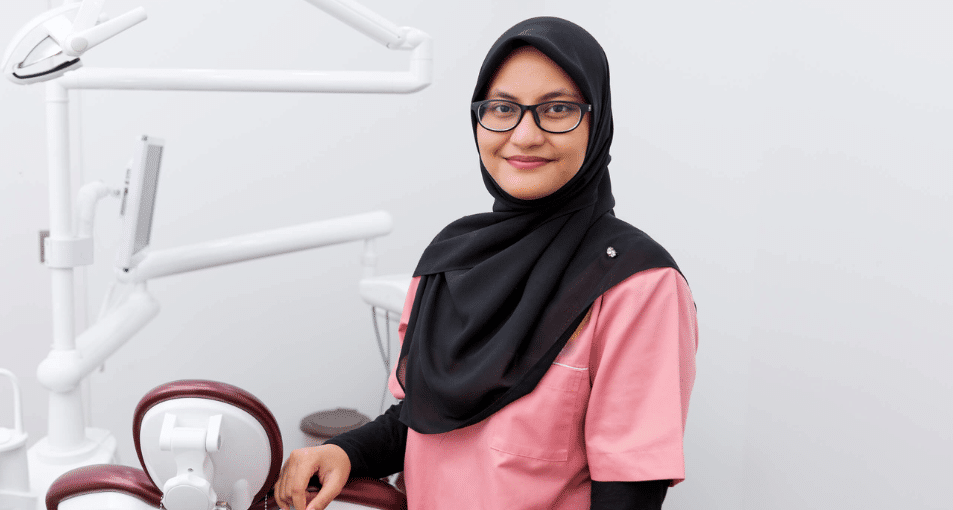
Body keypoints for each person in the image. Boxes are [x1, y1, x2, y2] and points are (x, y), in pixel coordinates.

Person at [273, 17, 698, 510]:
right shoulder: (449, 261)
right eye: (502, 108)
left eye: (557, 109)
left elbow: (628, 491)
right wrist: (342, 451)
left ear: (597, 120)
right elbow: (419, 420)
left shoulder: (637, 286)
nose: (524, 135)